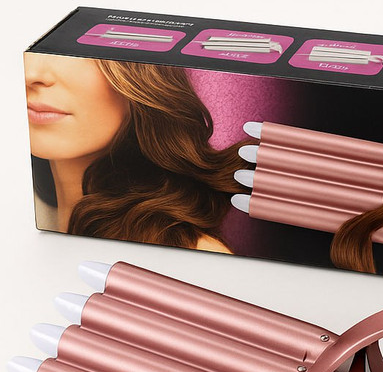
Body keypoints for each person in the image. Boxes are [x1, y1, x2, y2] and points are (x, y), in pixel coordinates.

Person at [25, 53, 246, 252]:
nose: (31, 75)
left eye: (76, 54)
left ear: (140, 78)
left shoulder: (189, 253)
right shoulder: (26, 224)